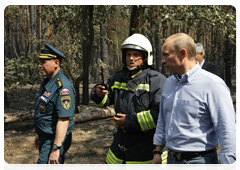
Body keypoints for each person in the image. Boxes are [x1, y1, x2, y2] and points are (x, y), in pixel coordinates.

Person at [152, 33, 238, 170]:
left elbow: (226, 129)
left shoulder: (212, 84)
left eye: (166, 54)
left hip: (200, 164)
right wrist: (158, 151)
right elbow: (163, 120)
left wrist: (230, 166)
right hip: (171, 161)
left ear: (182, 54)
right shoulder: (169, 83)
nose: (162, 60)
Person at [91, 33, 167, 170]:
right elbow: (105, 102)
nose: (131, 58)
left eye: (136, 54)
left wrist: (130, 121)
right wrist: (98, 93)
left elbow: (160, 115)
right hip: (119, 154)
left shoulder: (157, 80)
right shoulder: (118, 78)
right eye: (128, 54)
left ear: (145, 57)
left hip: (145, 155)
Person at [34, 42, 75, 170]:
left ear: (56, 63)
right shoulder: (48, 81)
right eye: (40, 62)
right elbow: (45, 112)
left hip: (54, 139)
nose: (40, 65)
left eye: (43, 62)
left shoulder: (63, 88)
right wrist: (39, 133)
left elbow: (63, 120)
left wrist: (56, 149)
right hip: (46, 136)